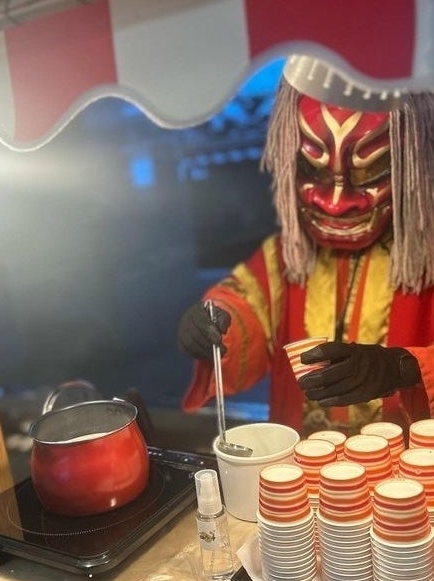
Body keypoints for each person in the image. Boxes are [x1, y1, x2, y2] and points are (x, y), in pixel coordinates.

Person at [177, 54, 434, 437]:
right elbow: (245, 306)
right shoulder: (289, 255)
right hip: (302, 464)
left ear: (416, 160)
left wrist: (402, 368)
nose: (336, 203)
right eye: (312, 169)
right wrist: (215, 324)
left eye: (371, 170)